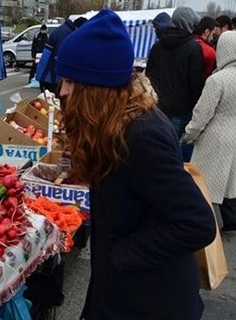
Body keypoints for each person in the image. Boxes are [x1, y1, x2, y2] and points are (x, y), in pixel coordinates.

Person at [55, 9, 216, 320]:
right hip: (122, 289)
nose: (62, 90)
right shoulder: (117, 123)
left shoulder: (142, 136)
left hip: (149, 300)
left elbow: (197, 223)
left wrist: (120, 255)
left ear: (96, 87)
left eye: (71, 81)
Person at [183, 31, 236, 233]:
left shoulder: (217, 80)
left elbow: (202, 113)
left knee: (206, 183)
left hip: (215, 136)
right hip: (234, 134)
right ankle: (228, 221)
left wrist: (189, 134)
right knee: (229, 181)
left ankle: (208, 224)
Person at [145, 6, 205, 162]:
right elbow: (195, 83)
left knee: (154, 150)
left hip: (156, 107)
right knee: (174, 155)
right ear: (189, 24)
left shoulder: (157, 46)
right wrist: (195, 109)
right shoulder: (193, 48)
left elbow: (148, 76)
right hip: (181, 110)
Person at [35, 18, 78, 94]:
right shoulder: (65, 33)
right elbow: (59, 57)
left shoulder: (65, 29)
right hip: (49, 76)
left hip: (48, 75)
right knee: (52, 102)